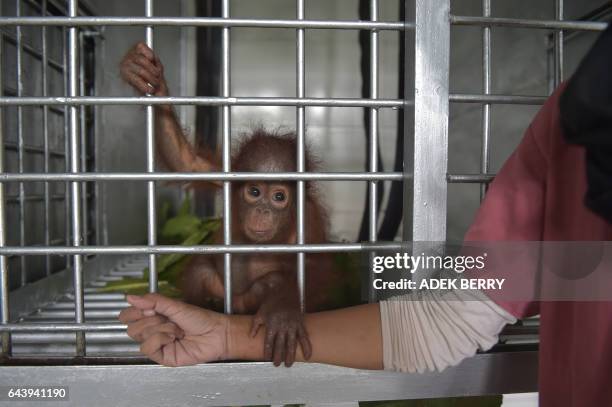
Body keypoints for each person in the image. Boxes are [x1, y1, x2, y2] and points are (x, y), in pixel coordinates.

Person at [120, 25, 612, 407]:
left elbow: (307, 278)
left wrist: (283, 308)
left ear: (299, 195)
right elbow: (457, 317)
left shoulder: (307, 223)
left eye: (278, 198)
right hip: (235, 294)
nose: (264, 213)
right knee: (205, 270)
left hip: (276, 290)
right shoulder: (572, 118)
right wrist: (160, 99)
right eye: (253, 193)